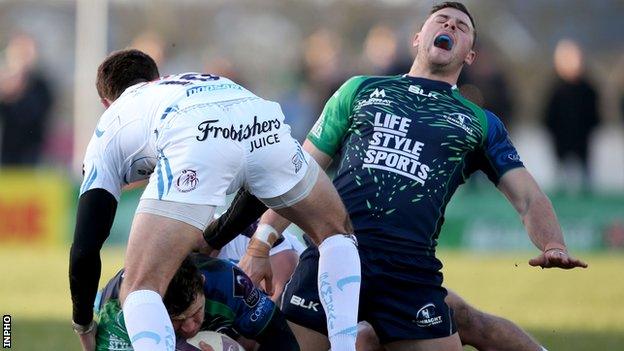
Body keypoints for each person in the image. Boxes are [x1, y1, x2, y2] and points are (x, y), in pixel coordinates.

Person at [236, 2, 586, 351]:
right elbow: (298, 175)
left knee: (463, 322)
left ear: (470, 56)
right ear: (419, 38)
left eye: (461, 27)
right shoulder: (359, 90)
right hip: (334, 253)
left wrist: (553, 243)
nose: (450, 27)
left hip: (408, 272)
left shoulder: (481, 123)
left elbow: (528, 197)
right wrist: (260, 244)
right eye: (441, 21)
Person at [69, 49, 361, 351]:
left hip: (192, 130)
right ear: (157, 78)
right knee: (336, 232)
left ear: (106, 103)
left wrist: (83, 323)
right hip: (257, 115)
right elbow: (260, 180)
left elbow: (85, 247)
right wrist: (216, 236)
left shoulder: (113, 121)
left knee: (141, 286)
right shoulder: (183, 83)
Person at [94, 255, 299, 351]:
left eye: (195, 312)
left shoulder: (228, 283)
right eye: (177, 321)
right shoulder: (118, 311)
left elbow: (283, 342)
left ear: (202, 282)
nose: (190, 327)